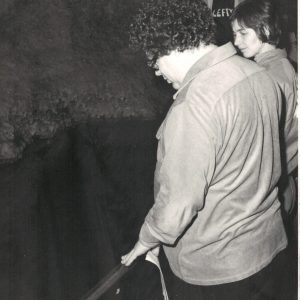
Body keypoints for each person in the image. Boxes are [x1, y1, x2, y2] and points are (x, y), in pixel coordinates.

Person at [121, 0, 290, 298]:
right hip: (269, 249)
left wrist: (147, 238)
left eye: (155, 61)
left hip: (217, 270)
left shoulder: (193, 106)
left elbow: (180, 201)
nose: (157, 72)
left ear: (172, 47)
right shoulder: (259, 74)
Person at [231, 0, 298, 217]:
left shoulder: (267, 76)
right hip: (283, 181)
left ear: (266, 29)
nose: (236, 41)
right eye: (234, 34)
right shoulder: (284, 66)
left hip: (268, 188)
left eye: (243, 33)